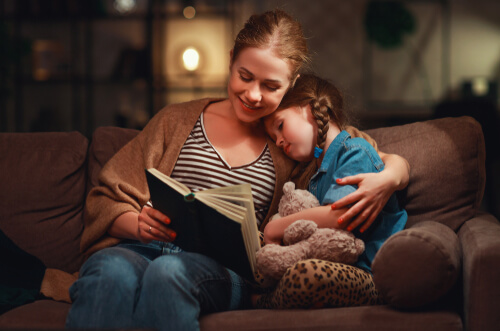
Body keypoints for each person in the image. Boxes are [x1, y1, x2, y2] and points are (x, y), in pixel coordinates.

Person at [66, 10, 409, 331]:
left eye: (271, 86)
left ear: (293, 84)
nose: (253, 95)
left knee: (169, 272)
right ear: (231, 60)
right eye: (245, 76)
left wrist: (392, 176)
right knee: (108, 270)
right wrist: (137, 225)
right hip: (143, 250)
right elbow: (107, 197)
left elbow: (368, 154)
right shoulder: (175, 120)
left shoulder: (291, 138)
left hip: (221, 271)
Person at [255, 73, 408, 309]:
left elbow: (340, 215)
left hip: (368, 273)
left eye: (281, 126)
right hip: (336, 266)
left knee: (306, 273)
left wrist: (275, 227)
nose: (278, 141)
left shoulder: (354, 150)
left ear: (308, 108)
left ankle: (266, 301)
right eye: (274, 137)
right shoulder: (313, 174)